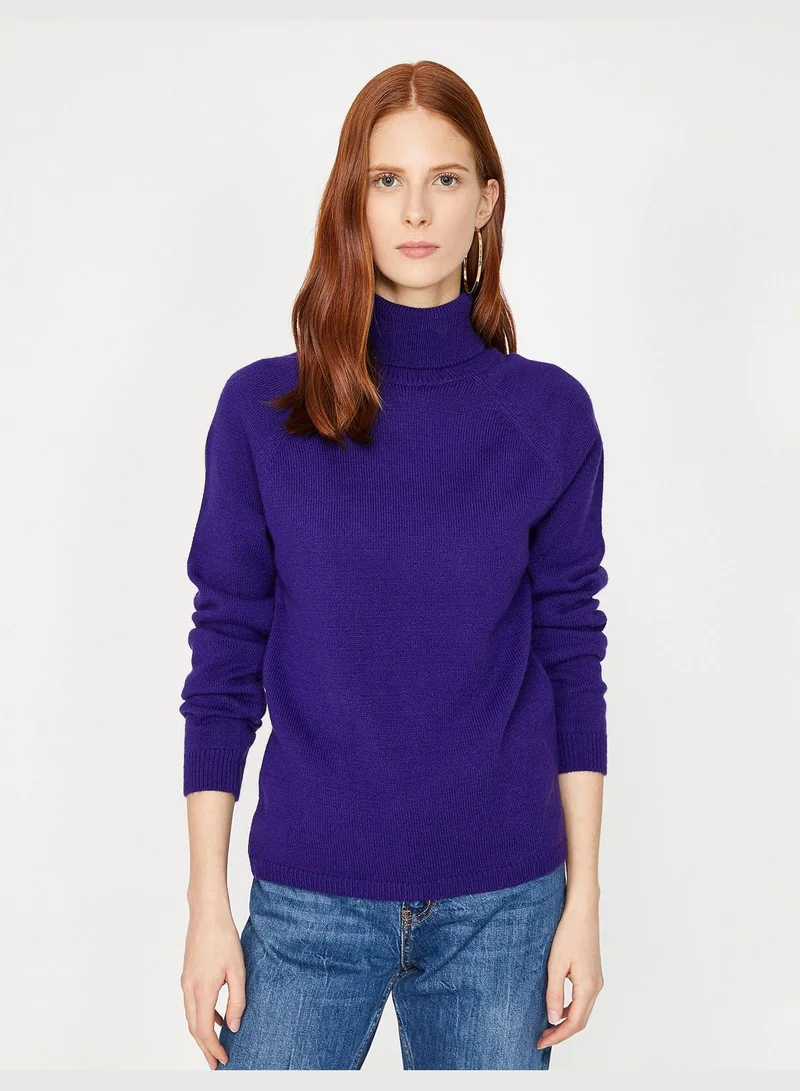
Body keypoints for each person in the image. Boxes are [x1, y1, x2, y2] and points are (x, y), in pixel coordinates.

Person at [179, 59, 608, 1072]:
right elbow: (224, 660)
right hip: (307, 901)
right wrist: (207, 906)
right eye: (386, 180)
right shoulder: (263, 414)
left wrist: (584, 901)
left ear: (485, 201)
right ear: (352, 198)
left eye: (444, 179)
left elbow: (571, 656)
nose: (416, 209)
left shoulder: (548, 416)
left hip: (503, 908)